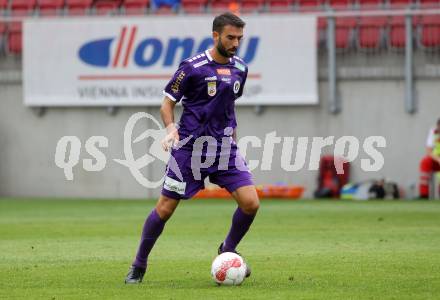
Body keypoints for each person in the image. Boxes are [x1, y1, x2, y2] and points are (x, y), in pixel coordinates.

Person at [125, 12, 260, 284]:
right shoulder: (192, 67)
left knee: (251, 203)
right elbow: (167, 103)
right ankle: (139, 265)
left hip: (224, 148)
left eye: (239, 39)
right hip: (189, 149)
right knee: (165, 209)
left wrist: (233, 138)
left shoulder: (241, 69)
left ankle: (227, 251)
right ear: (216, 35)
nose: (235, 43)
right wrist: (171, 129)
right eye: (230, 37)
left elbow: (228, 105)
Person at [419, 118, 440, 199]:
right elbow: (429, 150)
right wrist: (438, 159)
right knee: (425, 162)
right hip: (435, 160)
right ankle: (424, 195)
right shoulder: (433, 132)